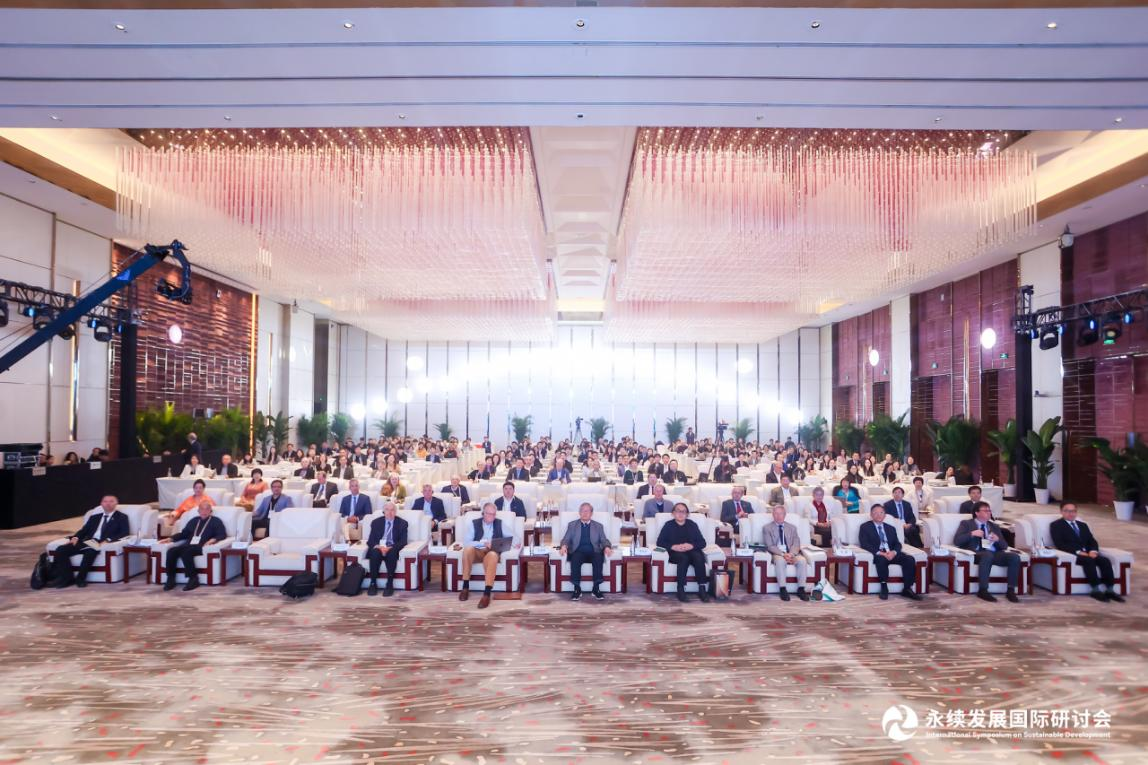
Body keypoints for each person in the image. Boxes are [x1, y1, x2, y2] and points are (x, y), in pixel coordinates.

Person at [1049, 502, 1124, 602]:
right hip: (1072, 554)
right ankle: (1095, 590)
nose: (1070, 513)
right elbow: (1060, 544)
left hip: (1088, 553)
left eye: (1073, 511)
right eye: (1067, 511)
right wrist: (1078, 552)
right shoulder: (1056, 525)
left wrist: (1093, 551)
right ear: (1061, 512)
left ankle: (1110, 590)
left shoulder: (1083, 525)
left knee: (1105, 561)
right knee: (1088, 561)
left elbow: (1092, 541)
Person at [49, 495, 129, 587]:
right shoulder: (94, 517)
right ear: (101, 504)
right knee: (61, 549)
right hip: (88, 541)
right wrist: (75, 538)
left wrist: (108, 540)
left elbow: (124, 532)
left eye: (111, 501)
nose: (108, 504)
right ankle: (67, 578)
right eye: (105, 501)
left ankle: (80, 579)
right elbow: (84, 530)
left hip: (100, 542)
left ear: (116, 503)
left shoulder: (121, 517)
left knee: (90, 551)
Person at [954, 502, 1021, 603]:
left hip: (994, 554)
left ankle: (1011, 590)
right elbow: (957, 541)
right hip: (976, 553)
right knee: (987, 555)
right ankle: (983, 590)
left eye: (989, 511)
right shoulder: (966, 524)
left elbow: (1004, 546)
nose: (989, 513)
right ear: (977, 513)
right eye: (985, 510)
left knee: (1014, 557)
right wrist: (972, 533)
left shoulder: (994, 526)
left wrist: (997, 540)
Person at [858, 504, 922, 601]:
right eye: (875, 513)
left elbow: (897, 544)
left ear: (885, 515)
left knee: (909, 559)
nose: (879, 515)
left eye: (881, 512)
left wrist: (894, 552)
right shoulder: (865, 527)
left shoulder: (891, 528)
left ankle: (907, 588)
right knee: (881, 560)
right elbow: (864, 544)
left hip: (891, 553)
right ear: (871, 515)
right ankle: (884, 587)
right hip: (879, 554)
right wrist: (881, 553)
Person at [162, 500, 226, 592]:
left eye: (207, 509)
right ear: (198, 511)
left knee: (186, 552)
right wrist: (171, 538)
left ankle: (193, 578)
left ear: (210, 511)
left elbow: (222, 534)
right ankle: (170, 579)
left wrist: (212, 540)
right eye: (202, 509)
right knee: (171, 551)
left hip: (202, 546)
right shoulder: (194, 521)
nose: (204, 511)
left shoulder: (216, 521)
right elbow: (184, 534)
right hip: (189, 545)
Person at [458, 503, 511, 609]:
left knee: (493, 555)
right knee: (467, 550)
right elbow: (466, 542)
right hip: (478, 551)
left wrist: (516, 543)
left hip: (491, 552)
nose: (492, 516)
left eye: (494, 514)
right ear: (483, 513)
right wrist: (483, 544)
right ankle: (465, 587)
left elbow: (513, 537)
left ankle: (486, 593)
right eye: (489, 514)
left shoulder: (499, 523)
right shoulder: (474, 523)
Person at [655, 503, 710, 603]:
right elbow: (660, 542)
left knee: (698, 557)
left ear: (687, 514)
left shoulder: (692, 525)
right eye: (678, 511)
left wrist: (691, 545)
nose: (680, 513)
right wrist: (673, 547)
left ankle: (702, 589)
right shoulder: (668, 525)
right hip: (675, 553)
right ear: (673, 513)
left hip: (692, 551)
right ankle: (680, 589)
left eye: (683, 511)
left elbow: (702, 542)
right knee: (683, 558)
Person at [558, 502, 614, 600]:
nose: (584, 513)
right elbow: (566, 539)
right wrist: (563, 546)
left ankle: (596, 588)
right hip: (578, 551)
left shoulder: (598, 526)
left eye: (587, 511)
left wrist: (607, 547)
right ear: (579, 513)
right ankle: (577, 589)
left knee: (598, 558)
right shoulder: (572, 525)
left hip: (594, 551)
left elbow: (604, 540)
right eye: (582, 511)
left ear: (591, 513)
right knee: (575, 559)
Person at [762, 504, 808, 601]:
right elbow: (770, 545)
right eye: (776, 513)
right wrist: (783, 554)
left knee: (802, 561)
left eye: (781, 514)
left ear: (785, 515)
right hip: (778, 553)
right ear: (773, 515)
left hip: (792, 553)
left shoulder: (792, 528)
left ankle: (801, 589)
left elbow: (796, 543)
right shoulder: (767, 528)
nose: (778, 516)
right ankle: (783, 589)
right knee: (780, 561)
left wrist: (791, 554)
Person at [365, 501, 407, 596]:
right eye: (387, 510)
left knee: (392, 553)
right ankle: (373, 583)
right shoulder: (376, 522)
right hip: (379, 547)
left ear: (395, 512)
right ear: (384, 511)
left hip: (392, 547)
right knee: (375, 553)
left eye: (392, 510)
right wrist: (379, 547)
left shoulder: (402, 523)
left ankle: (389, 584)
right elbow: (370, 540)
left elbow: (403, 541)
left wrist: (389, 548)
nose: (389, 512)